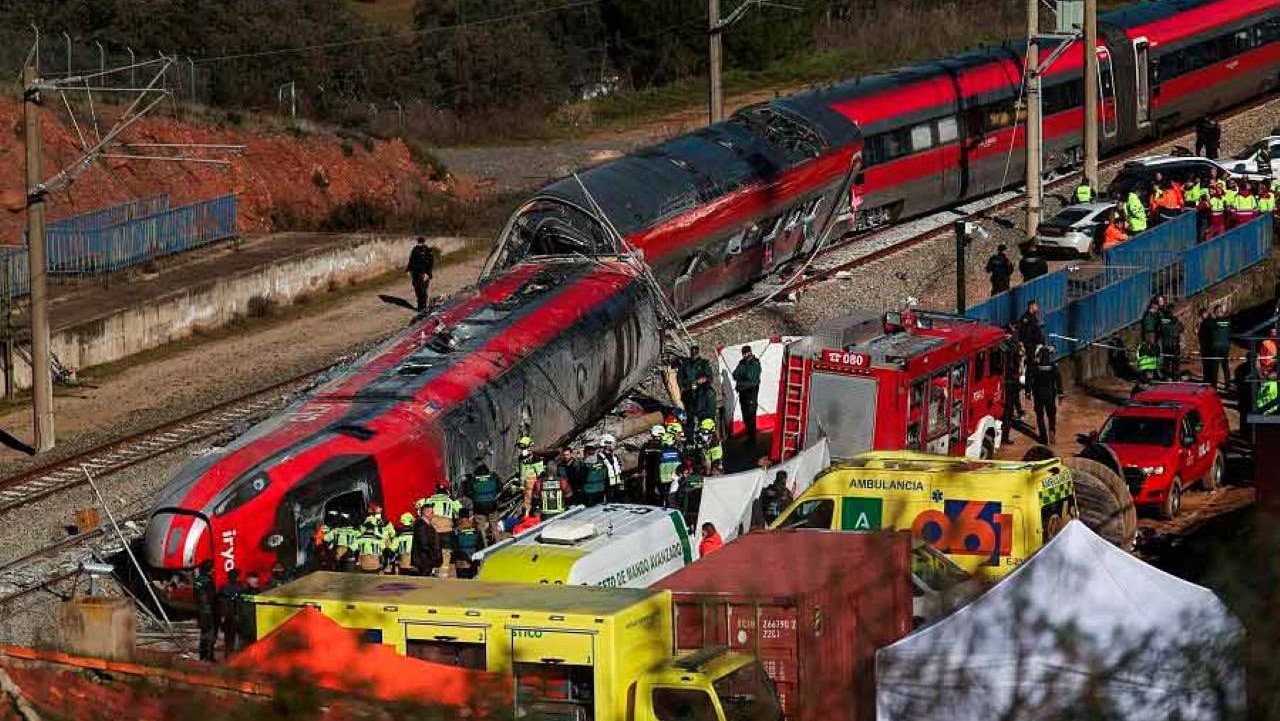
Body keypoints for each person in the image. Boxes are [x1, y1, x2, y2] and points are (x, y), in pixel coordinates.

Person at [1026, 344, 1064, 445]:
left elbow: (1028, 378)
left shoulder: (1035, 367)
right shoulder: (1053, 367)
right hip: (1050, 394)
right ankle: (1051, 430)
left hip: (1038, 394)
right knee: (1051, 415)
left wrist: (1028, 391)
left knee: (1040, 416)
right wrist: (1060, 393)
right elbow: (1059, 380)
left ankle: (1043, 438)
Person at [732, 346, 762, 439]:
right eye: (743, 354)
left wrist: (741, 379)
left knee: (751, 415)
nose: (745, 355)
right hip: (742, 392)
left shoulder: (755, 363)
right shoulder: (741, 363)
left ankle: (752, 438)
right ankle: (749, 435)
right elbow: (735, 374)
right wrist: (742, 378)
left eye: (747, 353)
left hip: (751, 392)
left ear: (750, 352)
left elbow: (751, 378)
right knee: (745, 414)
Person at [676, 345, 714, 413]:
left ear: (698, 353)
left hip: (701, 391)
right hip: (688, 391)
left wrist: (703, 380)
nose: (694, 356)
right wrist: (681, 387)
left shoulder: (704, 363)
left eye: (695, 353)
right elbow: (679, 377)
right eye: (693, 354)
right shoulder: (685, 364)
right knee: (689, 412)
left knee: (701, 410)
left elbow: (710, 377)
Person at [1001, 332, 1023, 445]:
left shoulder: (1002, 347)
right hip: (1010, 384)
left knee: (1007, 411)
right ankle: (1004, 437)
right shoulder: (1012, 352)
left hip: (1005, 383)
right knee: (1008, 412)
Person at [1205, 305, 1233, 390]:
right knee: (1224, 366)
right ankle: (1227, 384)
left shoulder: (1212, 321)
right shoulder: (1228, 321)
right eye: (1217, 311)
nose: (1218, 313)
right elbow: (1230, 330)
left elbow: (1207, 326)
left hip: (1216, 347)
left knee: (1216, 367)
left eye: (1218, 311)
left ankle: (1215, 386)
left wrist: (1211, 317)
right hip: (1224, 346)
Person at [194, 561, 217, 662]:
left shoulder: (198, 580)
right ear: (210, 569)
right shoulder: (209, 580)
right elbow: (211, 596)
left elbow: (196, 593)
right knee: (211, 633)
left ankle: (202, 655)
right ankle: (209, 655)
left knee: (203, 633)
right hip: (208, 610)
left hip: (200, 609)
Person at [216, 569, 242, 658]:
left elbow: (220, 605)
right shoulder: (240, 588)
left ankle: (228, 657)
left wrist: (221, 619)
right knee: (235, 639)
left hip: (227, 616)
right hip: (235, 616)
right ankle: (233, 658)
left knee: (228, 640)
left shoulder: (223, 589)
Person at [411, 504, 443, 576]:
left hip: (426, 559)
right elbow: (424, 543)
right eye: (431, 512)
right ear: (426, 513)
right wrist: (433, 555)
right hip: (424, 560)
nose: (433, 514)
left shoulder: (426, 524)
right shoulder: (421, 524)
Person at [406, 237, 435, 312]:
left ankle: (423, 307)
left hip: (423, 274)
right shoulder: (415, 250)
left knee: (423, 291)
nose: (419, 243)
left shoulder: (427, 250)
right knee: (419, 291)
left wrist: (427, 274)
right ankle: (420, 307)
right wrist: (408, 270)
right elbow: (411, 260)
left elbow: (430, 263)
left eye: (420, 242)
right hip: (416, 274)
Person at [639, 424, 665, 504]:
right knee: (658, 493)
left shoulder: (646, 446)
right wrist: (642, 470)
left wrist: (642, 469)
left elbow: (640, 460)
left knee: (651, 493)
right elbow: (641, 459)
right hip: (656, 474)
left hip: (653, 474)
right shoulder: (661, 447)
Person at [1158, 301, 1184, 379]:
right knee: (1175, 361)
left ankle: (1167, 376)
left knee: (1166, 361)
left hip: (1165, 343)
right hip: (1174, 343)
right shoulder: (1175, 320)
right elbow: (1181, 328)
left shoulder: (1162, 321)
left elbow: (1159, 330)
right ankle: (1175, 376)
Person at [597, 434, 624, 502]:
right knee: (610, 499)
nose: (613, 445)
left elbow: (619, 465)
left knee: (619, 496)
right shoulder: (599, 456)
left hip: (617, 481)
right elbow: (598, 469)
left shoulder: (614, 455)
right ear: (606, 444)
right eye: (611, 443)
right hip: (607, 482)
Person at [581, 441, 608, 507]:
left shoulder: (585, 463)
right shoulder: (601, 461)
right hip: (600, 488)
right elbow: (605, 472)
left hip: (589, 490)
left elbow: (582, 476)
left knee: (589, 511)